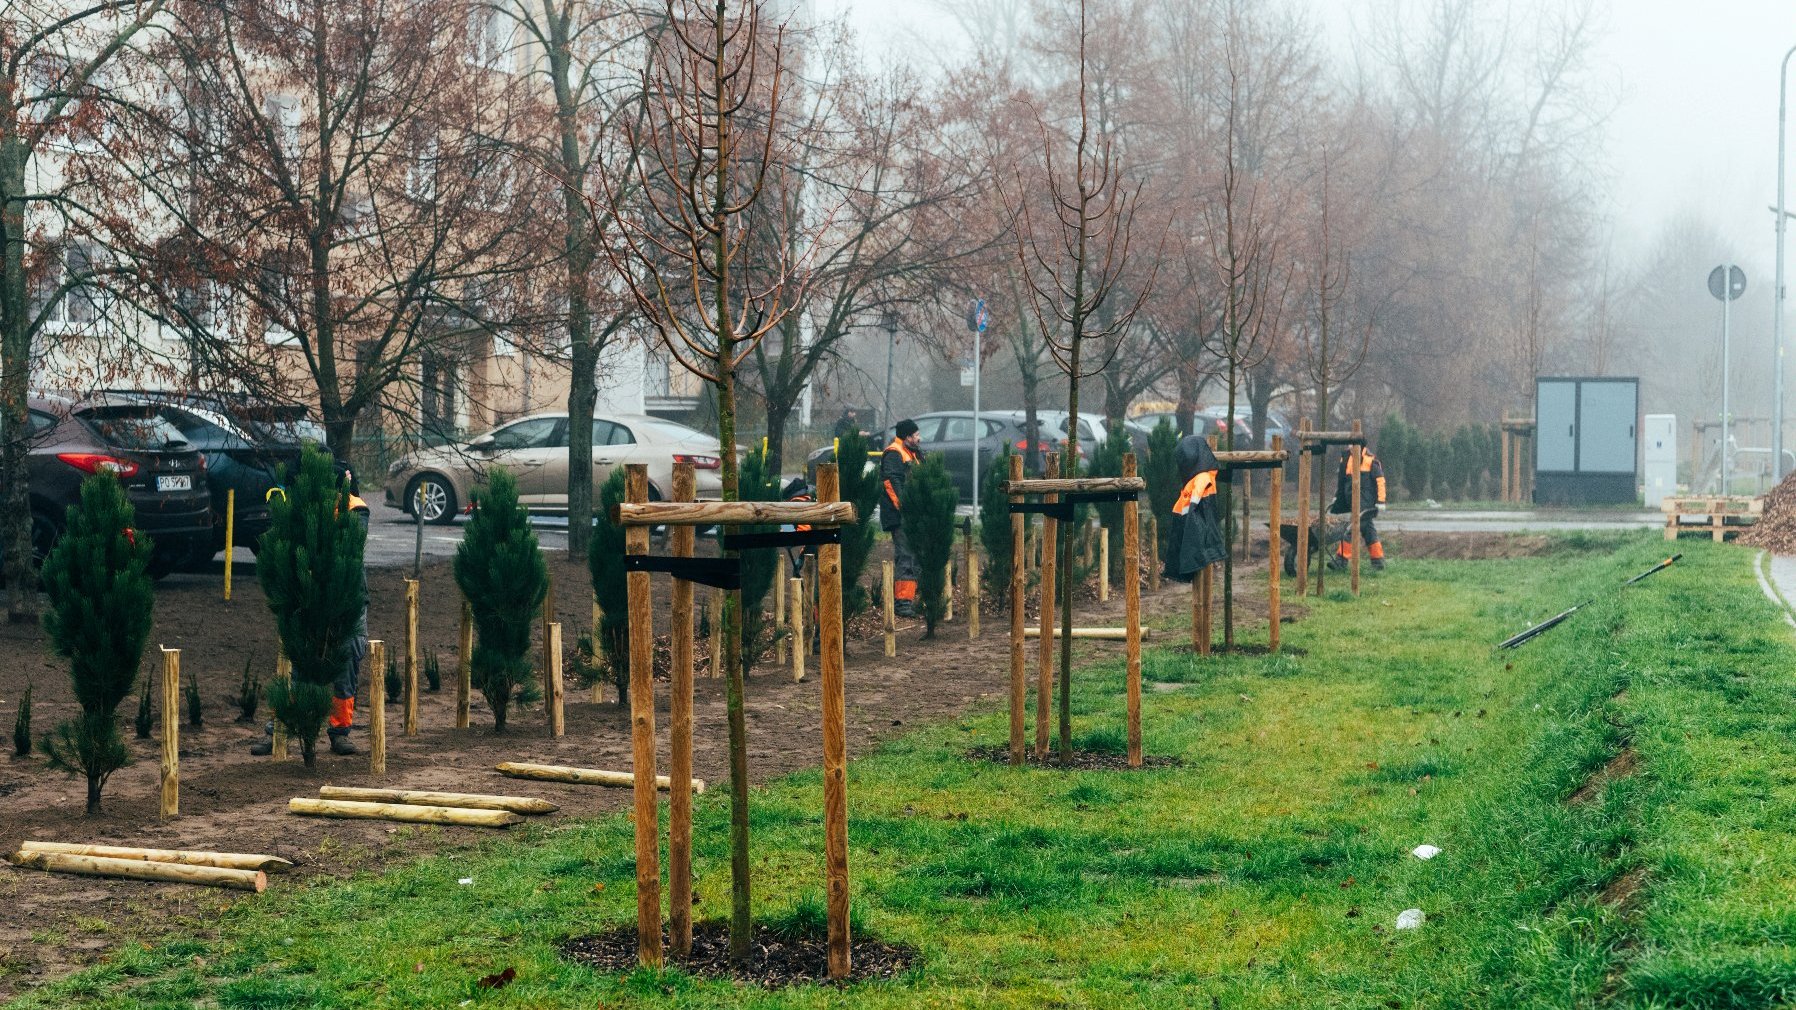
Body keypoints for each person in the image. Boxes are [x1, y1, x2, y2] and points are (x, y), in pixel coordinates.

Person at [252, 459, 370, 757]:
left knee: (347, 659)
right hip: (305, 597)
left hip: (346, 597)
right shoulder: (299, 503)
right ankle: (279, 729)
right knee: (297, 664)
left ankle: (340, 731)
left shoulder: (353, 507)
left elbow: (346, 549)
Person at [1162, 434, 1228, 583]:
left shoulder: (1199, 481)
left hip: (1196, 550)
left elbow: (1194, 520)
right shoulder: (1202, 479)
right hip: (1197, 549)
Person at [880, 419, 922, 617]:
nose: (919, 438)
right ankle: (903, 603)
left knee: (915, 556)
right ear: (907, 437)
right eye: (916, 435)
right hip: (901, 516)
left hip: (913, 514)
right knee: (906, 556)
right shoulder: (894, 453)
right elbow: (891, 483)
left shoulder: (912, 453)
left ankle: (911, 599)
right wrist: (905, 509)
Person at [1329, 443, 1388, 570]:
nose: (1349, 447)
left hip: (1365, 503)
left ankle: (1341, 560)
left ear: (1360, 446)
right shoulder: (1346, 459)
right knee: (1368, 531)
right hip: (1352, 501)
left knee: (1350, 529)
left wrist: (1381, 501)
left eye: (1352, 444)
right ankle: (1378, 561)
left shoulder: (1370, 460)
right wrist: (1337, 496)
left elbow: (1380, 481)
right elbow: (1342, 480)